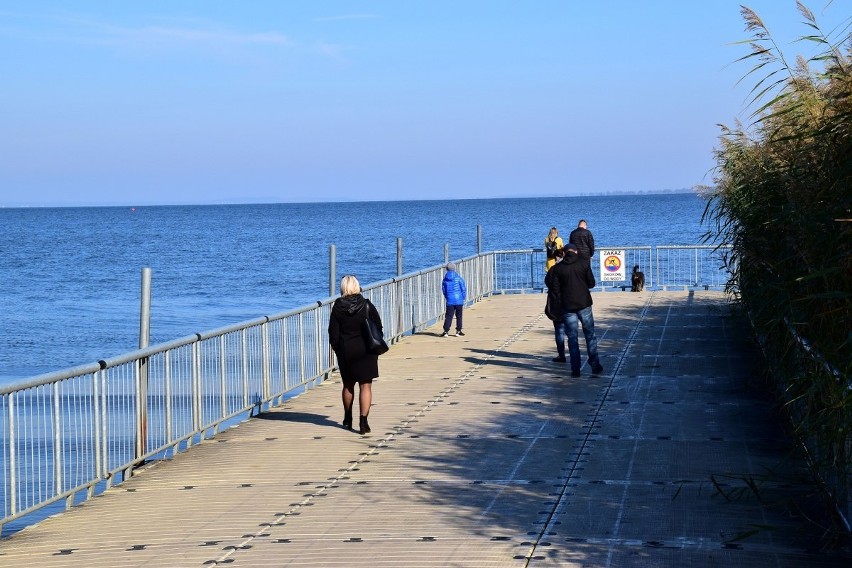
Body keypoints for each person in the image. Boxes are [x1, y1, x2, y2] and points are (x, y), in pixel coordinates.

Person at [328, 275, 382, 435]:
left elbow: (333, 333)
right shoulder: (366, 304)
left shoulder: (337, 307)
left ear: (343, 288)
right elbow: (378, 327)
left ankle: (347, 417)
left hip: (346, 351)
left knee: (348, 385)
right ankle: (363, 421)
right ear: (357, 286)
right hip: (366, 350)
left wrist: (338, 350)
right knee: (366, 386)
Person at [549, 242, 604, 378]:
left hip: (568, 307)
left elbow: (555, 290)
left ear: (565, 252)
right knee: (590, 335)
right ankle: (595, 365)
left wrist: (563, 299)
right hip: (584, 304)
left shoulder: (558, 268)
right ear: (575, 251)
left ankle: (575, 369)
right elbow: (591, 283)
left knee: (572, 338)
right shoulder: (584, 263)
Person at [544, 247, 566, 362]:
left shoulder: (553, 270)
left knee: (559, 330)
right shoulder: (570, 268)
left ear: (557, 257)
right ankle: (575, 353)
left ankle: (561, 355)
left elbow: (547, 282)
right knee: (572, 331)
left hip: (556, 303)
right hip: (570, 302)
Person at [441, 262, 467, 337]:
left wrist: (447, 297)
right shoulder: (459, 278)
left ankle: (446, 331)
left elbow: (444, 290)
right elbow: (463, 289)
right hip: (459, 300)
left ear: (447, 269)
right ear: (454, 269)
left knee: (449, 316)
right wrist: (463, 297)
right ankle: (458, 331)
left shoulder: (445, 280)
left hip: (450, 300)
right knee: (459, 316)